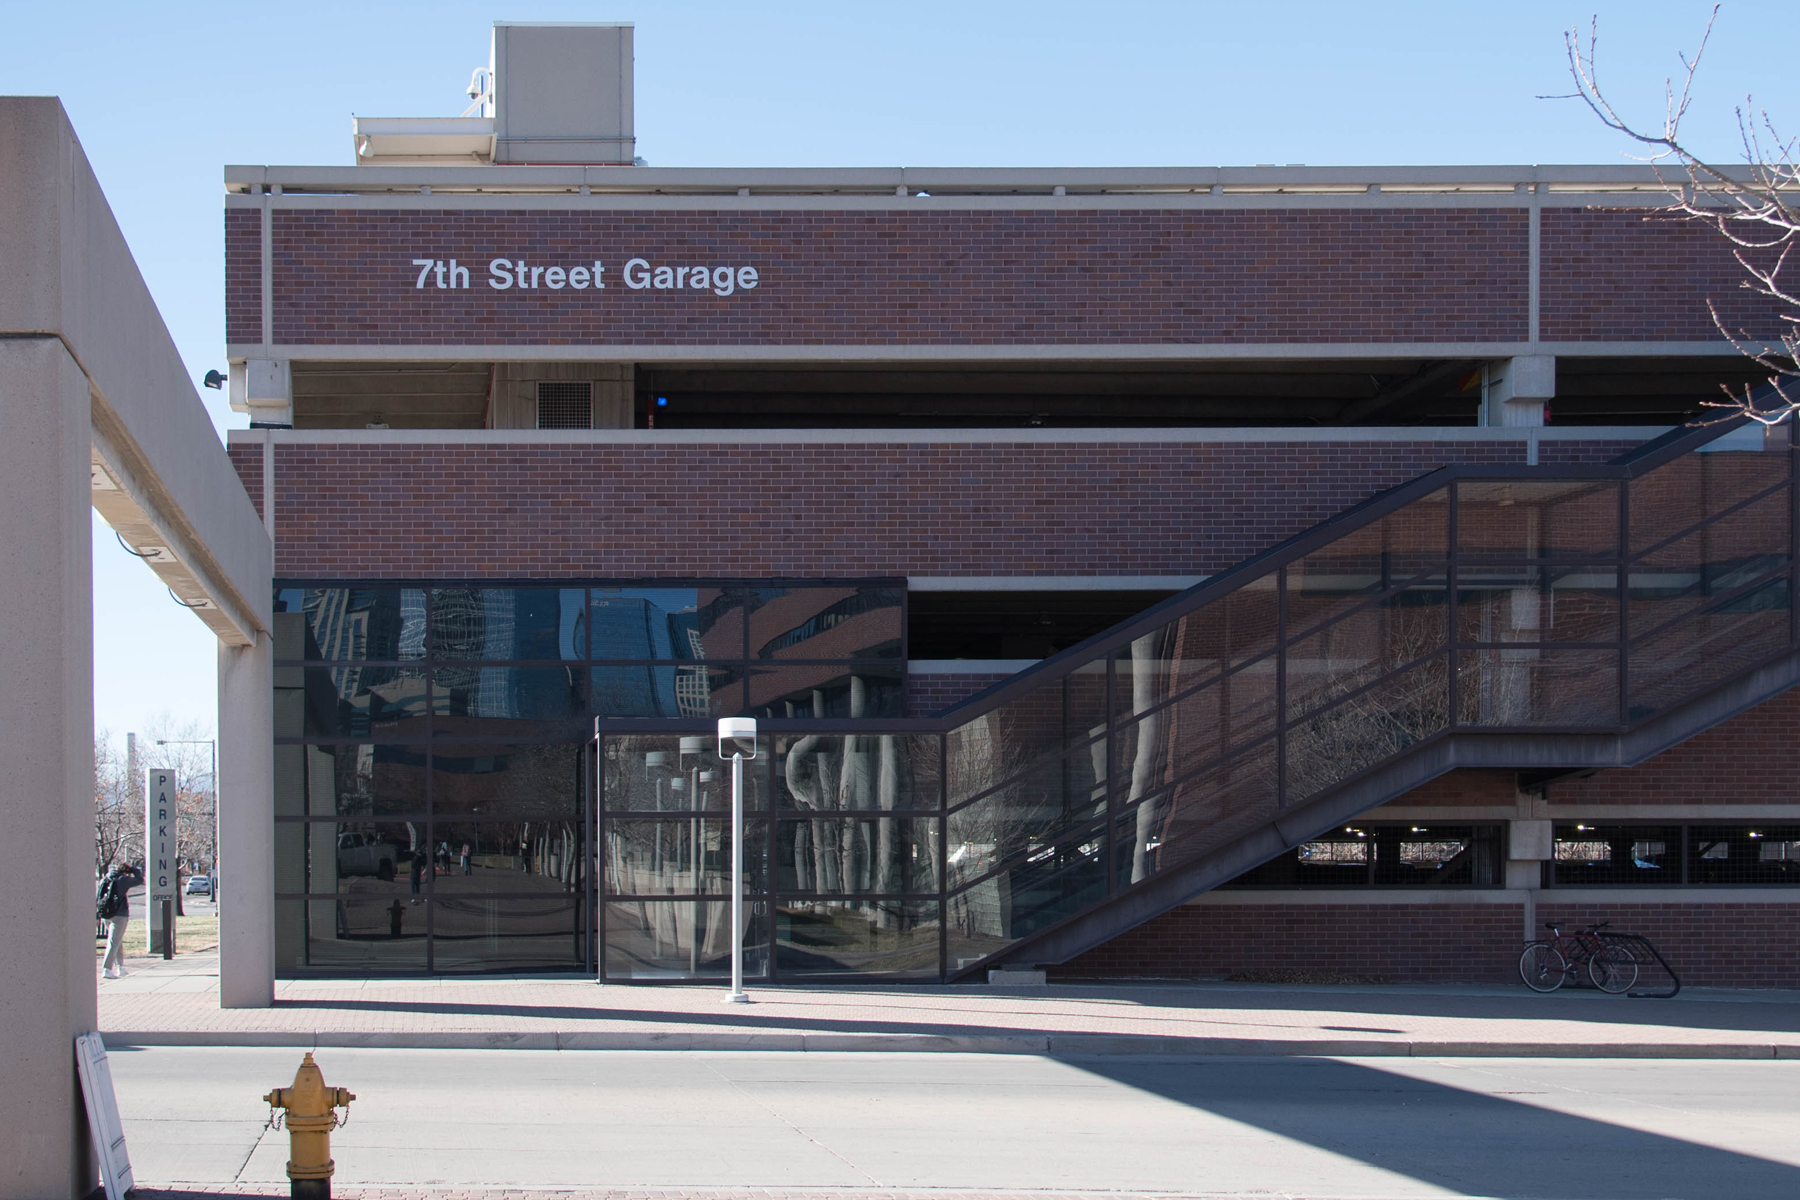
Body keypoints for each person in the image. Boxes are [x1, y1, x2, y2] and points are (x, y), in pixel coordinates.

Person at [96, 862, 143, 979]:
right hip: (120, 914)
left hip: (105, 914)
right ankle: (107, 969)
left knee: (117, 940)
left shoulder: (104, 879)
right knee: (114, 941)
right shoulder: (122, 880)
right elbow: (139, 880)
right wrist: (134, 869)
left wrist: (96, 915)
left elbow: (98, 897)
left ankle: (120, 967)